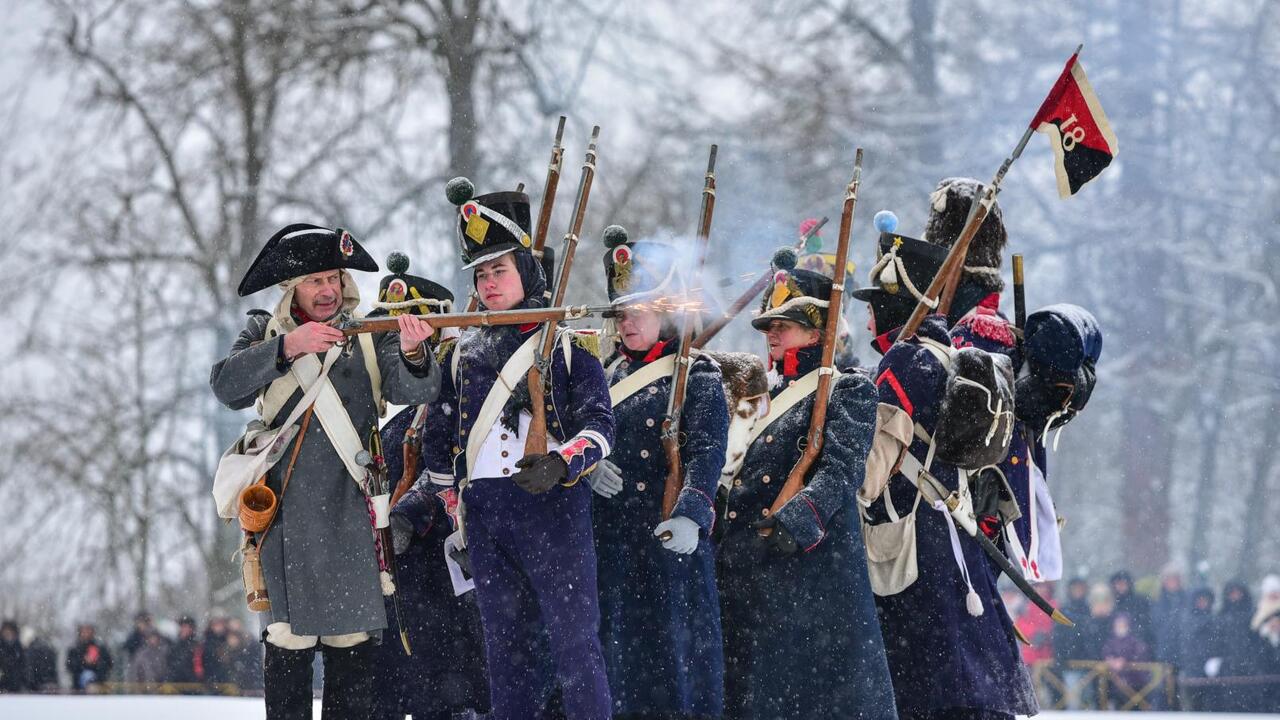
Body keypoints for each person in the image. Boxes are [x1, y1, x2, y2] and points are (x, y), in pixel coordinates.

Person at [397, 178, 614, 720]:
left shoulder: (564, 344)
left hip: (555, 508)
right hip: (487, 515)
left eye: (500, 269)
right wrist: (456, 504)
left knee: (574, 647)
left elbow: (602, 426)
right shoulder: (460, 352)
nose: (489, 282)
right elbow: (438, 440)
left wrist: (565, 462)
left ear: (526, 271)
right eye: (481, 273)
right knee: (505, 652)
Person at [210, 222, 440, 719]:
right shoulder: (265, 333)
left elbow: (416, 390)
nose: (327, 289)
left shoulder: (369, 332)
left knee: (352, 657)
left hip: (351, 516)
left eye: (333, 277)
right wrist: (289, 348)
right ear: (293, 289)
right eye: (315, 280)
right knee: (287, 646)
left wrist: (414, 351)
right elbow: (227, 387)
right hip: (285, 517)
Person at [855, 216, 1038, 720]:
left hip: (915, 544)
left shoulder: (903, 362)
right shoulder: (951, 355)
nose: (867, 317)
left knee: (924, 690)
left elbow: (869, 473)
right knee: (966, 680)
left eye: (873, 303)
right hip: (955, 534)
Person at [717, 246, 896, 720]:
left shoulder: (849, 388)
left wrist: (797, 519)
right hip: (751, 575)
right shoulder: (759, 398)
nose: (772, 333)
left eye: (785, 325)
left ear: (818, 331)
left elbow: (841, 470)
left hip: (810, 576)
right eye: (769, 326)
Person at [590, 226, 726, 719]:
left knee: (677, 670)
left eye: (639, 311)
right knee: (619, 668)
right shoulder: (603, 376)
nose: (627, 323)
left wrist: (692, 513)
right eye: (622, 313)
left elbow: (707, 453)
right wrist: (588, 469)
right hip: (614, 547)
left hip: (671, 540)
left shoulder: (698, 375)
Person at [371, 252, 491, 720]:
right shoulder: (389, 402)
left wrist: (410, 512)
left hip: (445, 555)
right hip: (400, 570)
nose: (394, 342)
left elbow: (449, 458)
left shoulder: (458, 381)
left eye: (405, 331)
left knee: (453, 683)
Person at [1101, 614, 1151, 708]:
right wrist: (1110, 660)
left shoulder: (1135, 641)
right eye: (1118, 625)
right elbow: (1106, 652)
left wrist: (1125, 661)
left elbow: (1140, 654)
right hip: (1116, 684)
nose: (1120, 628)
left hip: (1134, 682)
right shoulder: (1111, 641)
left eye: (1122, 625)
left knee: (1134, 707)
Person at [66, 623, 113, 692]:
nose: (86, 634)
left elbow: (108, 664)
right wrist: (83, 661)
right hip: (78, 688)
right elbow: (70, 666)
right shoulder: (74, 649)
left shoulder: (100, 648)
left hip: (98, 686)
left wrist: (95, 663)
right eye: (84, 631)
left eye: (88, 631)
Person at [0, 620, 25, 692]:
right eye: (6, 631)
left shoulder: (19, 647)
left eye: (10, 631)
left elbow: (23, 665)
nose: (8, 634)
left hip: (16, 686)